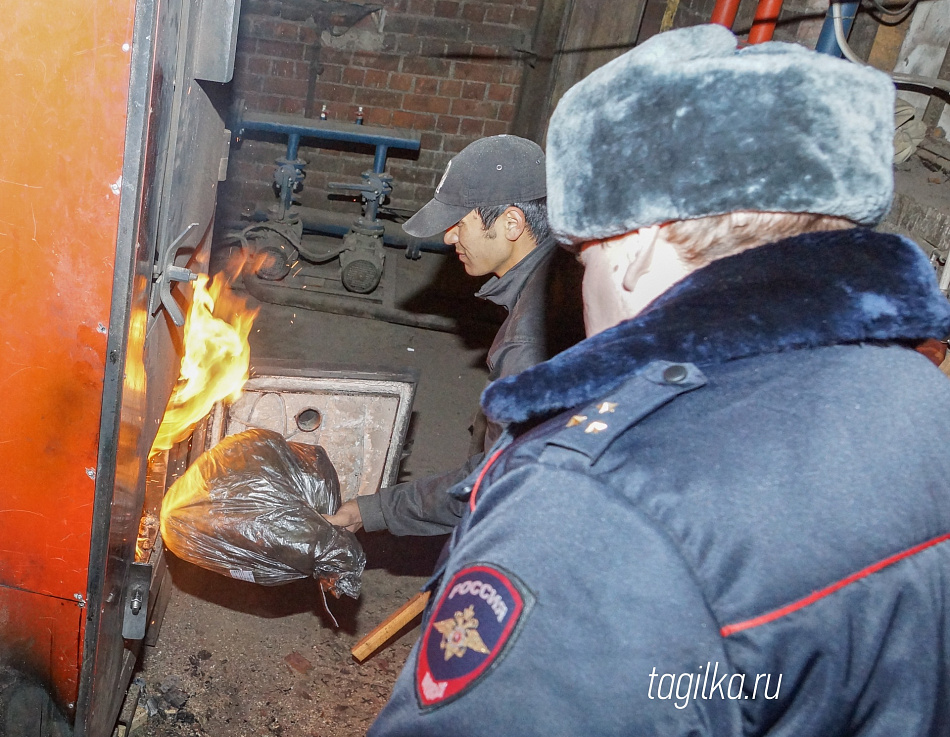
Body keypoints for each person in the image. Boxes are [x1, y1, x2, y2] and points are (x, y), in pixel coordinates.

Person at [367, 25, 950, 736]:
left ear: (636, 245)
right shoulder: (925, 399)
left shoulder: (592, 504)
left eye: (582, 261)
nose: (578, 290)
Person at [325, 135, 583, 535]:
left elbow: (493, 484)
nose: (448, 237)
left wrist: (371, 510)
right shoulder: (565, 272)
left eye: (460, 223)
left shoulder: (529, 344)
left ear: (511, 223)